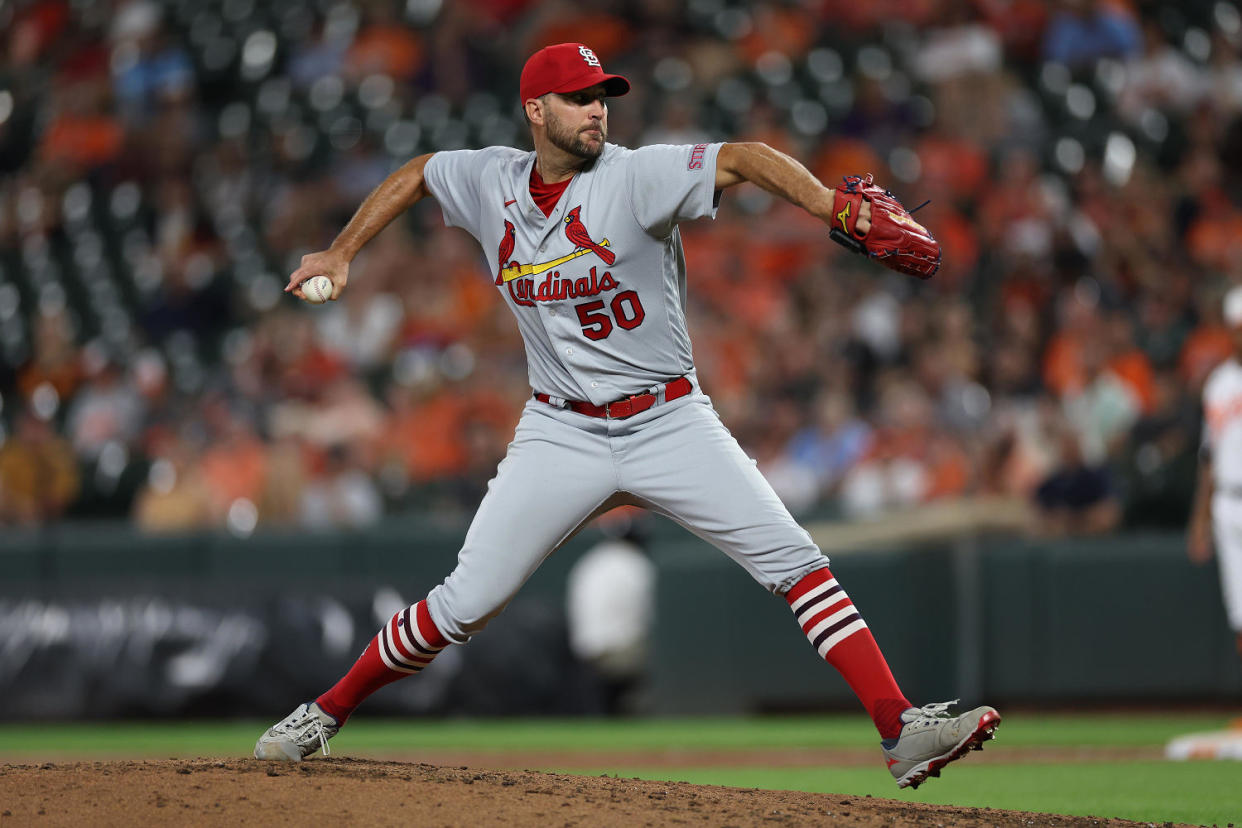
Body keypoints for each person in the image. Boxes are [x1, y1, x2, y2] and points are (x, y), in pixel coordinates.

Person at [253, 42, 1000, 789]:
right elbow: (419, 174)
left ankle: (900, 729)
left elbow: (744, 158)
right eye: (579, 98)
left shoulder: (635, 176)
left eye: (602, 96)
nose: (597, 110)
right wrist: (343, 250)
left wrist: (831, 207)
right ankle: (324, 712)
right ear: (536, 111)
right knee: (463, 604)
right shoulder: (491, 180)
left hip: (669, 419)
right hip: (560, 429)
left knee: (797, 563)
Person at [1188, 286, 1242, 663]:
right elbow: (1207, 456)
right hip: (1227, 502)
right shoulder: (1219, 383)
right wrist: (1199, 520)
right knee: (1240, 610)